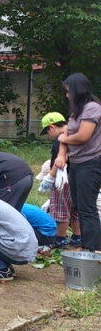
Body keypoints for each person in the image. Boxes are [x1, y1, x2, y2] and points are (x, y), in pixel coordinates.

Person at [55, 73, 101, 252]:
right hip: (76, 164)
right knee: (79, 206)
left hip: (91, 163)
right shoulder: (77, 111)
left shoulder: (92, 108)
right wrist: (61, 154)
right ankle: (86, 244)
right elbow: (65, 134)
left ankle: (93, 249)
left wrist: (64, 139)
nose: (67, 96)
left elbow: (82, 136)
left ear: (78, 90)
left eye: (69, 92)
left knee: (87, 207)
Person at [39, 113, 83, 249]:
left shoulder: (61, 139)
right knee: (74, 208)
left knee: (60, 208)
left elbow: (60, 162)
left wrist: (49, 177)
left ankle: (60, 239)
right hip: (76, 175)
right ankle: (77, 237)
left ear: (52, 127)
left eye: (47, 131)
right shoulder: (74, 135)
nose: (49, 134)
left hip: (62, 178)